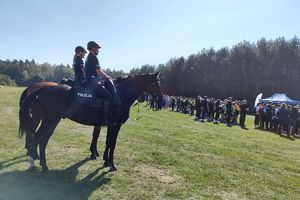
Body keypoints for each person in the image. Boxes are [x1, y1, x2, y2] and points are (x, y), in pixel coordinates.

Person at [84, 41, 122, 126]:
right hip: (93, 84)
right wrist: (107, 77)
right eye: (97, 48)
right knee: (109, 96)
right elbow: (98, 71)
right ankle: (105, 120)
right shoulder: (93, 57)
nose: (98, 50)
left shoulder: (89, 57)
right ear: (93, 48)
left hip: (90, 82)